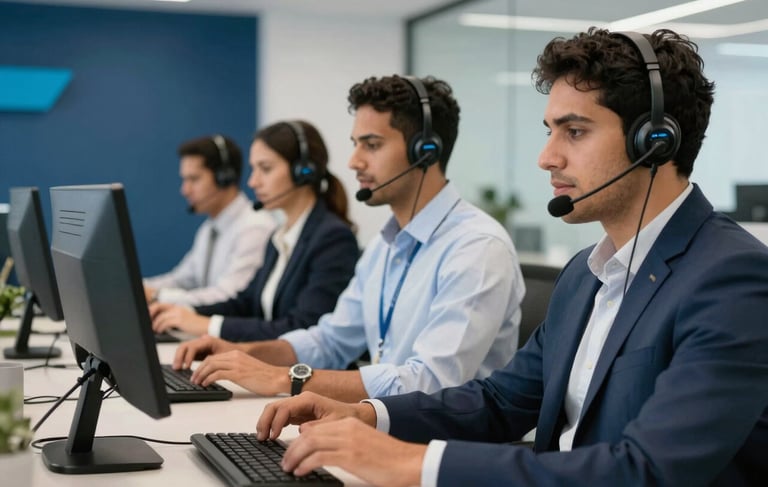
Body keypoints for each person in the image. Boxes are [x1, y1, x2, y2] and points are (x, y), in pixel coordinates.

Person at [255, 29, 768, 487]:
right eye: (550, 131)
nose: (547, 157)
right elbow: (500, 401)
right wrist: (369, 416)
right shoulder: (585, 274)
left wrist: (411, 465)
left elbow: (647, 471)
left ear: (655, 142)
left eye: (575, 131)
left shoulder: (732, 279)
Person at [173, 75, 524, 402]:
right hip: (383, 424)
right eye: (356, 144)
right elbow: (330, 340)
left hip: (442, 441)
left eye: (371, 145)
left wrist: (284, 378)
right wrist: (244, 353)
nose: (354, 161)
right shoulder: (383, 247)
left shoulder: (476, 248)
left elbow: (429, 382)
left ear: (425, 151)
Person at [149, 120, 359, 341]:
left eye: (265, 169)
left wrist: (208, 325)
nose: (252, 182)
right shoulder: (279, 238)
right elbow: (245, 302)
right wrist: (187, 313)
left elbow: (303, 328)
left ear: (303, 171)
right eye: (253, 169)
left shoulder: (332, 239)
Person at [144, 135, 275, 306]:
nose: (185, 190)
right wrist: (139, 287)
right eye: (185, 179)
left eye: (194, 179)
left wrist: (157, 296)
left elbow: (229, 296)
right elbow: (182, 279)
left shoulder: (254, 227)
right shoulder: (209, 229)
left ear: (224, 177)